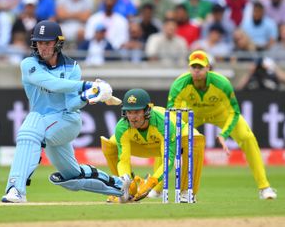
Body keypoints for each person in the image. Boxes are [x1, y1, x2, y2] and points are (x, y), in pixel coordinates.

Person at [1, 20, 131, 203]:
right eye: (39, 42)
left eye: (47, 43)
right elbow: (50, 82)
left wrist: (87, 97)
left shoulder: (72, 67)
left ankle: (16, 189)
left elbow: (71, 104)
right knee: (72, 176)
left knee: (28, 131)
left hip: (66, 120)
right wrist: (88, 86)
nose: (43, 47)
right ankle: (120, 186)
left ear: (58, 43)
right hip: (44, 121)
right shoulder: (29, 64)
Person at [167, 50, 278, 200]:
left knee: (247, 137)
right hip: (193, 114)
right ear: (189, 68)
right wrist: (176, 138)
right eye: (194, 67)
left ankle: (264, 187)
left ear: (208, 68)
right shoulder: (180, 84)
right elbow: (172, 114)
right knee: (167, 137)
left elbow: (234, 112)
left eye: (201, 67)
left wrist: (223, 134)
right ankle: (159, 187)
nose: (197, 71)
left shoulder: (221, 83)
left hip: (221, 114)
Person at [101, 88, 205, 203]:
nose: (132, 117)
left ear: (147, 111)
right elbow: (123, 160)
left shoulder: (164, 123)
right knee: (110, 144)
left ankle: (186, 192)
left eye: (137, 112)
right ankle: (120, 188)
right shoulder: (122, 126)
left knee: (195, 139)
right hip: (141, 145)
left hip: (175, 140)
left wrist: (151, 182)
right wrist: (127, 182)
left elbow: (169, 160)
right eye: (129, 112)